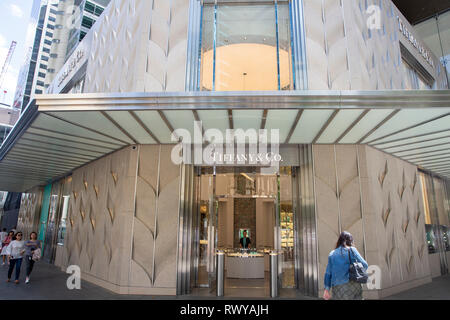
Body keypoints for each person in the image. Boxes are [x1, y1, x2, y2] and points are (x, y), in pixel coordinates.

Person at [323, 231, 368, 300]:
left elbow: (328, 273)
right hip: (354, 284)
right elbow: (365, 265)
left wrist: (326, 289)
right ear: (350, 241)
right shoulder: (352, 250)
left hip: (337, 287)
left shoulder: (332, 254)